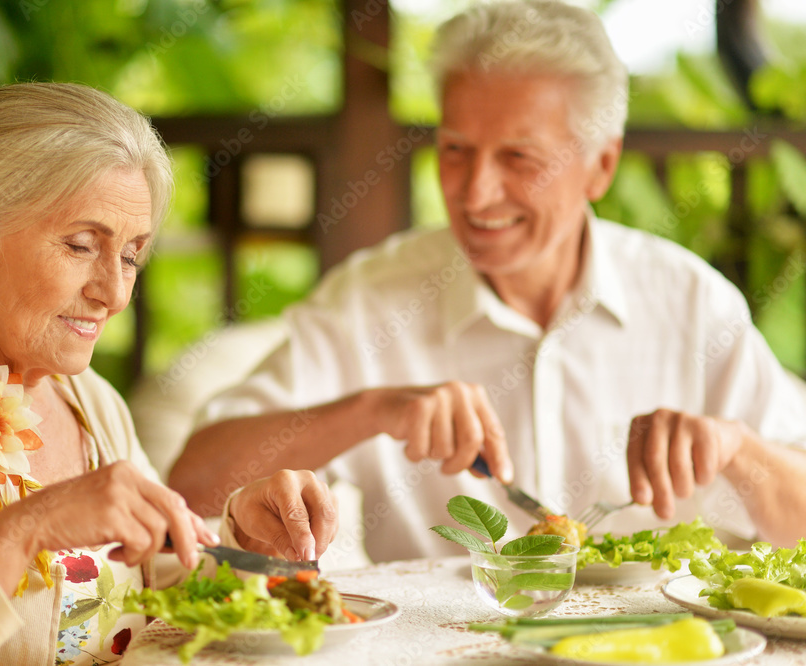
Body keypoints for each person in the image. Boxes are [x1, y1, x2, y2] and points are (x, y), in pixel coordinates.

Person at [170, 0, 806, 563]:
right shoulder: (372, 300)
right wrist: (375, 409)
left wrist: (738, 451)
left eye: (518, 158)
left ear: (600, 166)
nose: (475, 193)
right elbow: (194, 481)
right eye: (455, 150)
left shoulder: (689, 303)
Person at [0, 82, 337, 666]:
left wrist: (242, 541)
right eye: (82, 245)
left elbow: (143, 593)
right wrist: (24, 530)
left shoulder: (91, 400)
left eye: (131, 255)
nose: (113, 293)